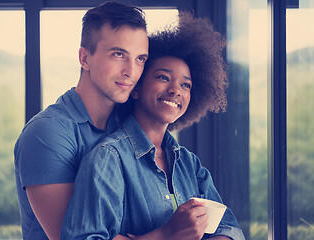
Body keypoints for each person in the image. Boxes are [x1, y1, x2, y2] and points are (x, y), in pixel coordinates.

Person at [60, 12, 245, 240]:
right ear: (136, 87)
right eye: (163, 78)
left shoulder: (189, 164)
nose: (176, 90)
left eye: (186, 85)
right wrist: (168, 234)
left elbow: (229, 229)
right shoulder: (108, 159)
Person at [14, 2, 149, 240]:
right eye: (119, 54)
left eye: (140, 59)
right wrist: (170, 233)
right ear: (84, 58)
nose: (131, 71)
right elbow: (77, 235)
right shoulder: (47, 133)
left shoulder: (127, 126)